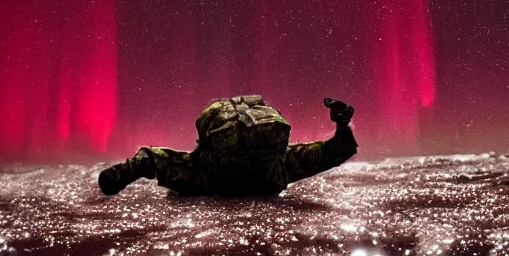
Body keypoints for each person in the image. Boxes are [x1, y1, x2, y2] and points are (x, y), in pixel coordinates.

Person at [97, 96, 357, 196]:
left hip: (217, 182)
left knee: (176, 166)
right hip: (266, 183)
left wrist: (126, 170)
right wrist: (343, 126)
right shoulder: (284, 164)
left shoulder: (202, 173)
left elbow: (154, 159)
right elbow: (332, 153)